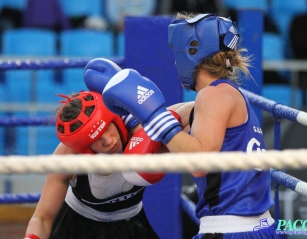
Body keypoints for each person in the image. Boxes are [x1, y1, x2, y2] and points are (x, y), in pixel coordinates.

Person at [99, 13, 286, 238]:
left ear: (193, 52)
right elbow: (173, 116)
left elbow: (199, 162)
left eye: (177, 54)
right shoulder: (224, 94)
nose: (176, 62)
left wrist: (155, 119)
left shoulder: (212, 96)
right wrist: (133, 115)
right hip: (252, 225)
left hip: (231, 229)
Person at [24, 59, 193, 239]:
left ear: (114, 119)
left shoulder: (143, 130)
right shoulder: (67, 157)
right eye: (96, 139)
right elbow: (42, 218)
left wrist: (154, 116)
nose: (108, 141)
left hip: (132, 225)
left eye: (107, 128)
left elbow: (196, 109)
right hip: (77, 228)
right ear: (84, 148)